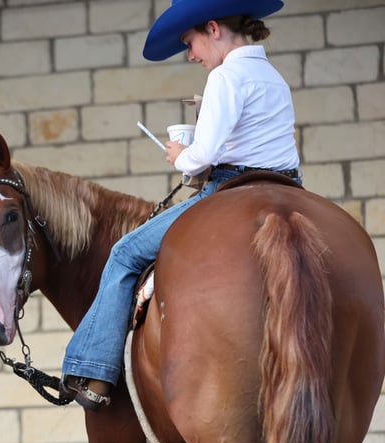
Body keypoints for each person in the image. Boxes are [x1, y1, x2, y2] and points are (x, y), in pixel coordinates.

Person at [61, 0, 302, 411]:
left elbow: (203, 156)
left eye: (190, 43)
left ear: (213, 28)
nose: (191, 55)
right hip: (290, 188)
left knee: (124, 254)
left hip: (233, 190)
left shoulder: (225, 76)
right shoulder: (272, 76)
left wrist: (179, 155)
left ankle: (94, 371)